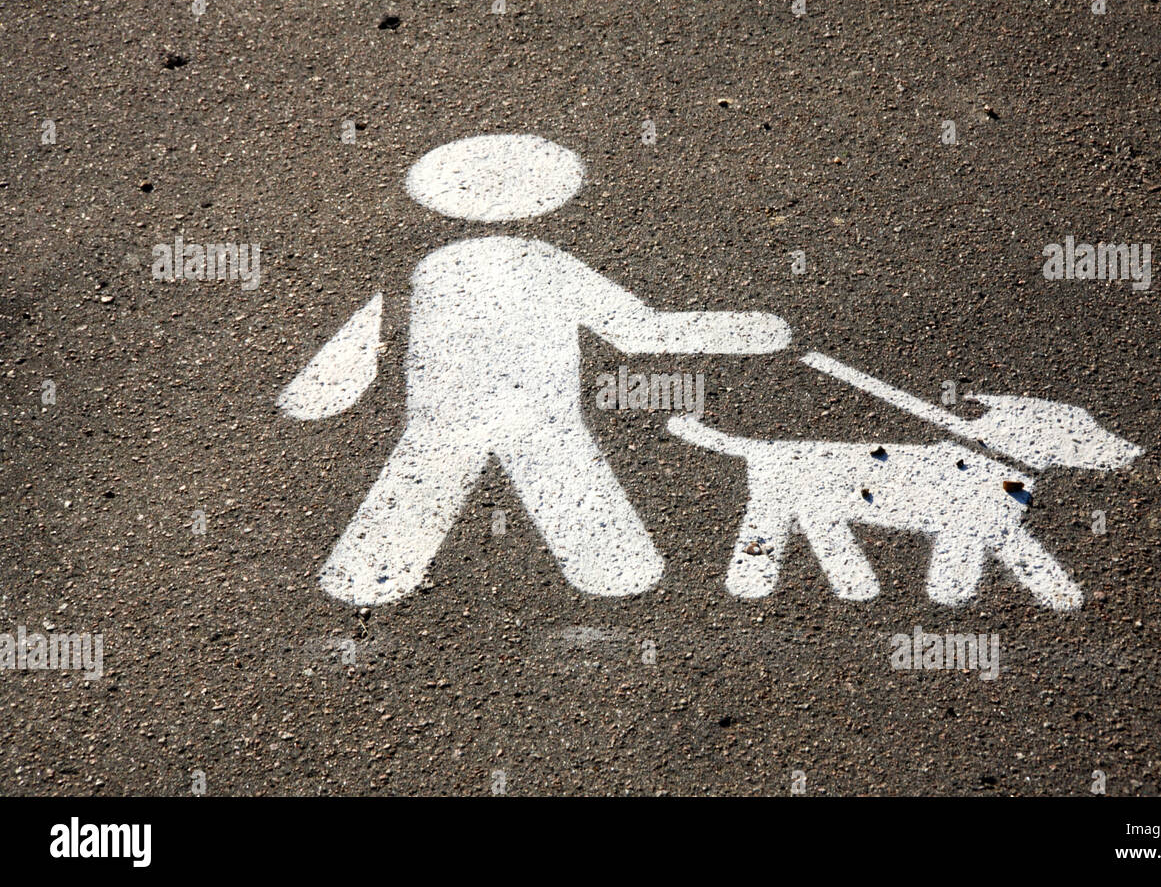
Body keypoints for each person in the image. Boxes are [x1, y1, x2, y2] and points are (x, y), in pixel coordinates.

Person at [280, 134, 790, 605]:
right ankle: (614, 574)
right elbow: (636, 329)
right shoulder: (544, 263)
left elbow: (371, 330)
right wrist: (749, 331)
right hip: (542, 419)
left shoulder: (435, 267)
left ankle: (369, 578)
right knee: (599, 538)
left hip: (447, 418)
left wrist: (321, 392)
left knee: (405, 508)